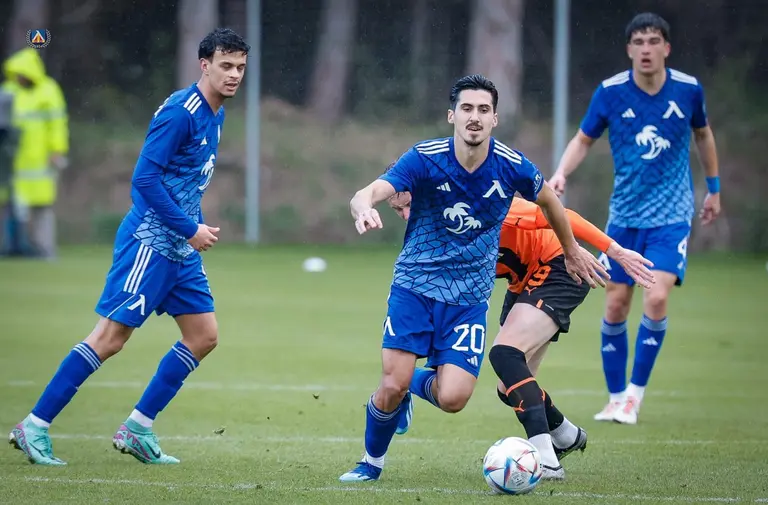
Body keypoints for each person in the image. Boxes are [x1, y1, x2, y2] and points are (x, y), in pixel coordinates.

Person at [339, 74, 609, 483]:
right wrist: (363, 207)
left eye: (484, 109)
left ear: (494, 119)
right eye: (466, 108)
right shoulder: (424, 157)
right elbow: (369, 191)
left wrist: (571, 250)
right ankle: (370, 463)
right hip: (414, 287)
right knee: (392, 385)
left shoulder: (511, 165)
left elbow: (550, 201)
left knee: (453, 398)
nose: (475, 117)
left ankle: (408, 389)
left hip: (468, 300)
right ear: (452, 115)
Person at [8, 28, 249, 466]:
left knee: (203, 336)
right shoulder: (180, 114)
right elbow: (144, 180)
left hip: (180, 249)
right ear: (204, 65)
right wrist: (189, 228)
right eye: (226, 65)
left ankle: (137, 428)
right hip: (149, 243)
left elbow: (184, 181)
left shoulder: (216, 114)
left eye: (240, 67)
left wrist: (190, 230)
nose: (234, 75)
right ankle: (34, 426)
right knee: (110, 338)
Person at [387, 191, 655, 479]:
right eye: (397, 210)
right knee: (508, 387)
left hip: (559, 266)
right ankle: (566, 435)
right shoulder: (430, 238)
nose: (406, 215)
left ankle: (547, 462)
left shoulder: (486, 209)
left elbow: (562, 215)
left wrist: (615, 251)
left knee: (505, 354)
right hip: (522, 283)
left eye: (410, 204)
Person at [548, 13, 722, 425]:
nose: (646, 49)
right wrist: (561, 173)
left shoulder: (688, 90)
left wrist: (714, 188)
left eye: (653, 41)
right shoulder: (610, 92)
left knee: (656, 297)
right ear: (629, 49)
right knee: (615, 303)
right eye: (639, 42)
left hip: (671, 216)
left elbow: (703, 135)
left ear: (666, 48)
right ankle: (614, 398)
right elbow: (583, 139)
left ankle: (634, 396)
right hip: (624, 217)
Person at [1, 48, 69, 259]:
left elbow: (57, 124)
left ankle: (44, 249)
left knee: (42, 207)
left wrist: (57, 150)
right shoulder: (8, 90)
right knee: (9, 206)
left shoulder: (48, 90)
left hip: (40, 160)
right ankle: (9, 247)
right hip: (11, 160)